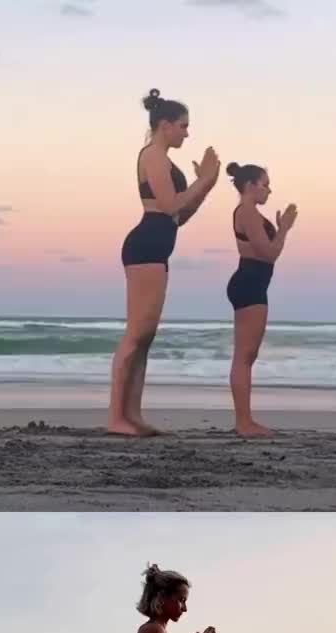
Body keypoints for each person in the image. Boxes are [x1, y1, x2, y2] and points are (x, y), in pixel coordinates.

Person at [108, 89, 221, 437]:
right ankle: (116, 418)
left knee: (145, 337)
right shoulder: (153, 155)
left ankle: (133, 416)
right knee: (135, 333)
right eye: (183, 126)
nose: (187, 133)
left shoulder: (165, 159)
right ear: (165, 125)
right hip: (144, 246)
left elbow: (178, 217)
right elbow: (171, 204)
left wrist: (207, 185)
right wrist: (202, 180)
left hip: (158, 245)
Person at [226, 162, 298, 437]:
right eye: (265, 184)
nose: (269, 189)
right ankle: (244, 423)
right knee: (244, 357)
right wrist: (284, 229)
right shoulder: (247, 212)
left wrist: (280, 229)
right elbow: (269, 253)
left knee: (247, 356)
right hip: (250, 283)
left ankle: (245, 420)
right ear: (250, 186)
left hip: (252, 283)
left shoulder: (250, 213)